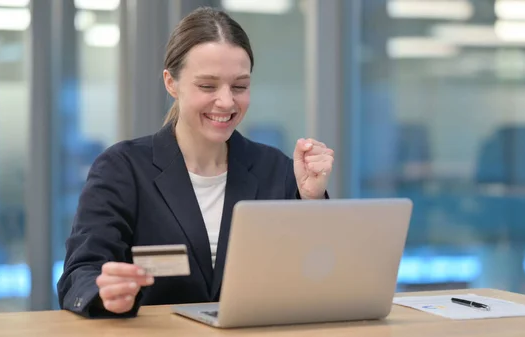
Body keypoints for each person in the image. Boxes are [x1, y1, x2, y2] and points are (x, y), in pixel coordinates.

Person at [57, 7, 334, 318]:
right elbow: (78, 274)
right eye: (208, 86)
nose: (227, 101)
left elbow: (317, 277)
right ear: (171, 83)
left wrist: (310, 201)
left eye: (239, 86)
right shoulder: (122, 168)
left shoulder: (277, 168)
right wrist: (105, 292)